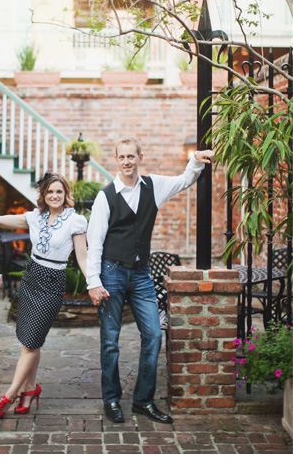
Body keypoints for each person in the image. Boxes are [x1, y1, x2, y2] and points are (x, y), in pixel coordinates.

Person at [86, 137, 214, 424]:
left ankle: (143, 401)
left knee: (154, 335)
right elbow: (94, 243)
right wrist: (94, 282)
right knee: (110, 341)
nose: (127, 161)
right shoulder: (105, 196)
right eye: (122, 157)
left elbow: (184, 180)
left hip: (142, 274)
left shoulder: (153, 186)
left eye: (132, 156)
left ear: (140, 157)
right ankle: (111, 400)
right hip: (111, 272)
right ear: (116, 159)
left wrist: (196, 158)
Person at [0, 173, 90, 418]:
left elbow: (83, 257)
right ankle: (30, 391)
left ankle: (8, 395)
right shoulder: (34, 218)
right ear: (43, 195)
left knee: (31, 342)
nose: (54, 196)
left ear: (66, 195)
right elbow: (0, 219)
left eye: (59, 192)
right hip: (31, 277)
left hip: (53, 282)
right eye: (50, 192)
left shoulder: (76, 221)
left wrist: (93, 284)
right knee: (30, 340)